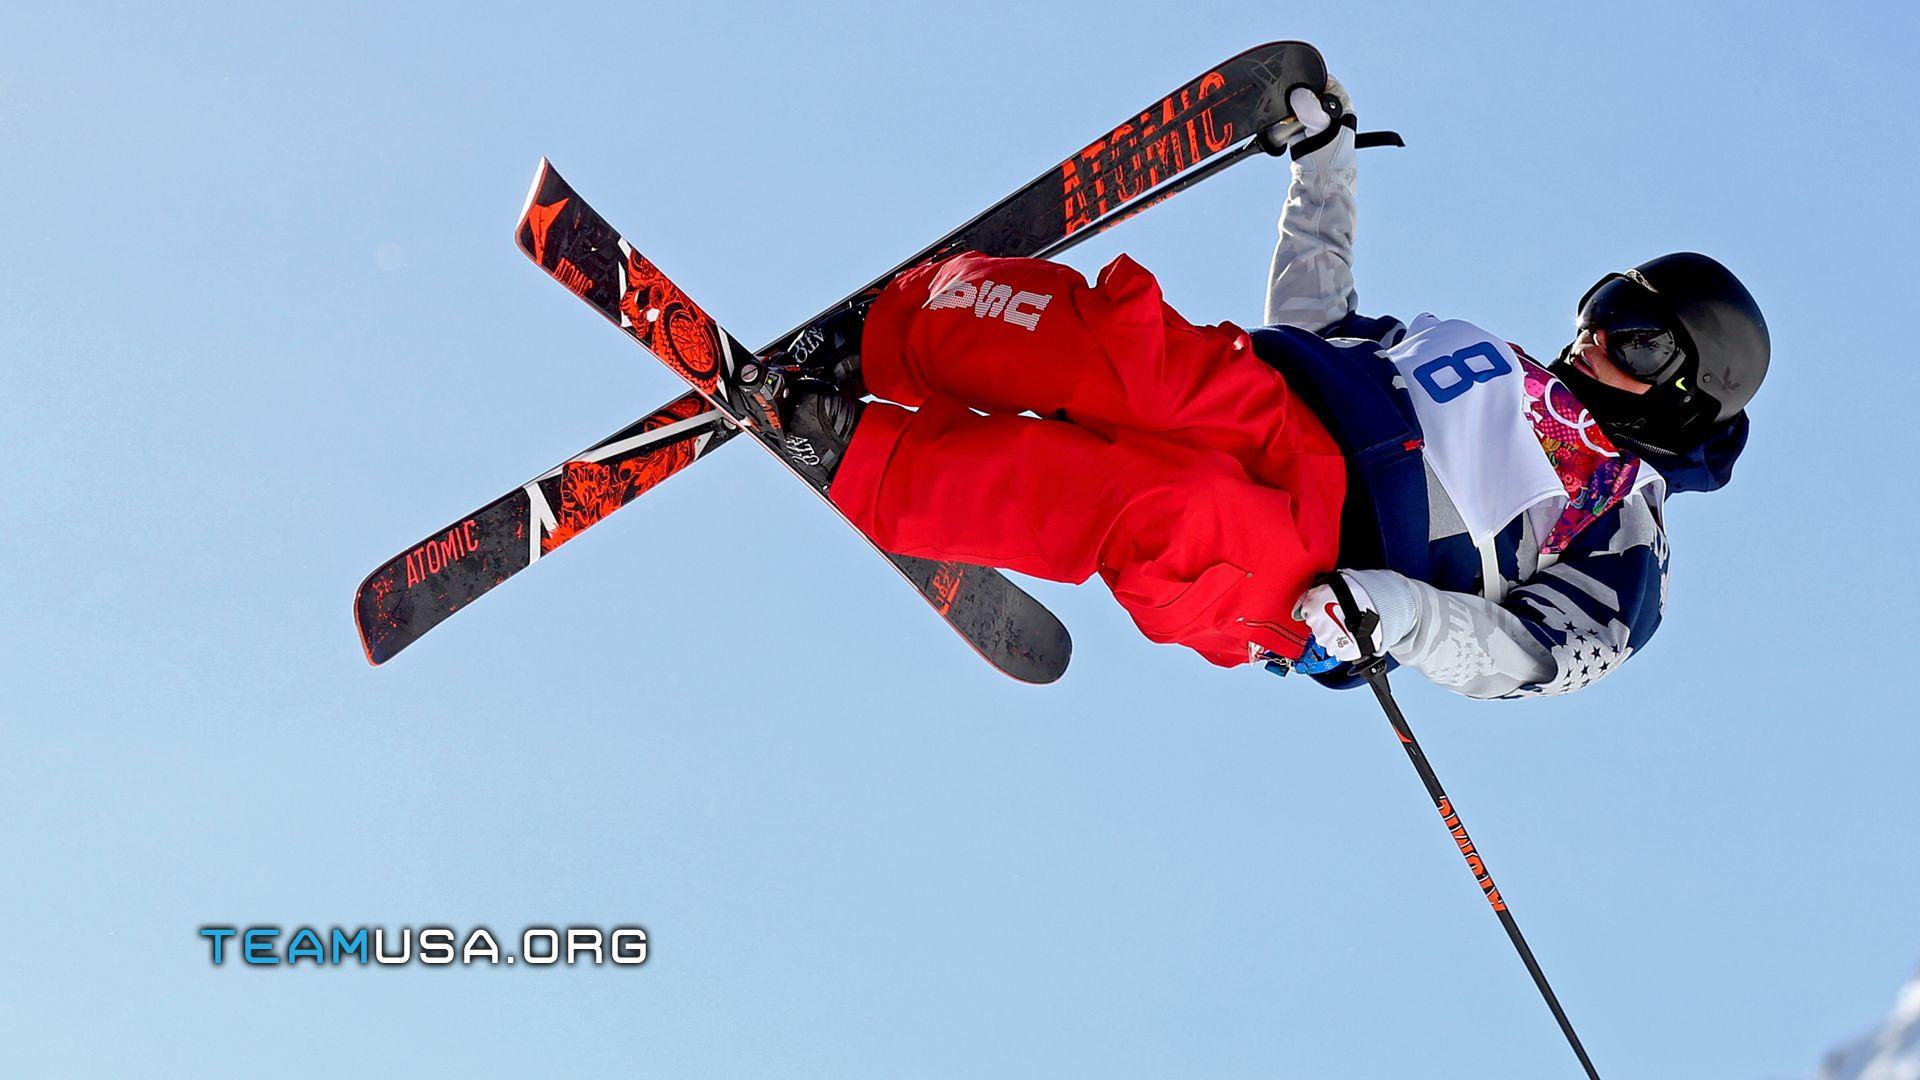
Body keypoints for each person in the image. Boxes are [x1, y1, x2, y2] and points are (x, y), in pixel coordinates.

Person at [741, 78, 1769, 699]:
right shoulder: (1494, 360)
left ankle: (859, 457)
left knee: (1160, 509)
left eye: (1636, 343)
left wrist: (1402, 620)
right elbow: (1320, 321)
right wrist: (1326, 176)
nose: (1594, 342)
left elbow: (1531, 656)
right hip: (1287, 399)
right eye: (1599, 311)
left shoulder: (1627, 523)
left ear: (1689, 394)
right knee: (1120, 350)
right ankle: (896, 333)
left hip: (1325, 568)